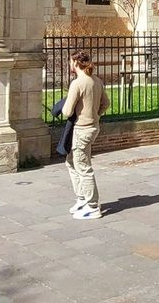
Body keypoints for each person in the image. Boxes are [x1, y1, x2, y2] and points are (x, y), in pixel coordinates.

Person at [61, 50, 109, 220]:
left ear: (75, 63)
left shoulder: (78, 83)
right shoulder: (97, 81)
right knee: (71, 161)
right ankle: (82, 198)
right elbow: (106, 103)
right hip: (92, 127)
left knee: (83, 166)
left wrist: (66, 106)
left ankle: (93, 206)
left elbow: (67, 111)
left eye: (70, 61)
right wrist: (96, 115)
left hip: (81, 129)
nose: (69, 64)